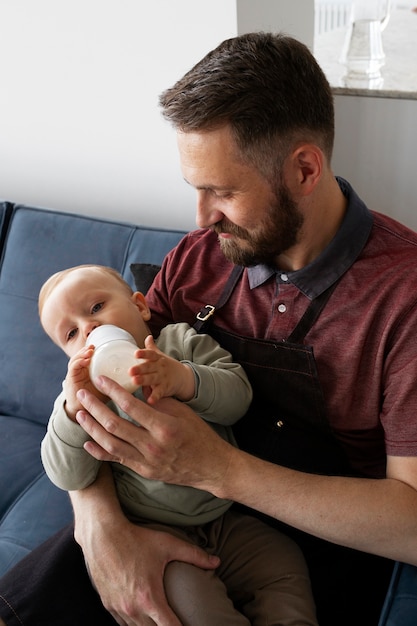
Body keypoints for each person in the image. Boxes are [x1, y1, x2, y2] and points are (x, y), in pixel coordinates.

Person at [1, 30, 417, 626]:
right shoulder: (200, 258)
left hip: (320, 538)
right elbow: (106, 392)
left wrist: (219, 470)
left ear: (304, 169)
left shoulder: (404, 296)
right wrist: (102, 528)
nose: (200, 220)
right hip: (159, 511)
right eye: (196, 190)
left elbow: (412, 523)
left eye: (221, 191)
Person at [38, 263, 318, 626]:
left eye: (95, 308)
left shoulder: (180, 342)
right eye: (71, 333)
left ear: (140, 306)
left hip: (224, 519)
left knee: (282, 560)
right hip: (151, 532)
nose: (89, 327)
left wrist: (185, 378)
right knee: (194, 608)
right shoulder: (81, 395)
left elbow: (238, 399)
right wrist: (73, 411)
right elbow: (67, 475)